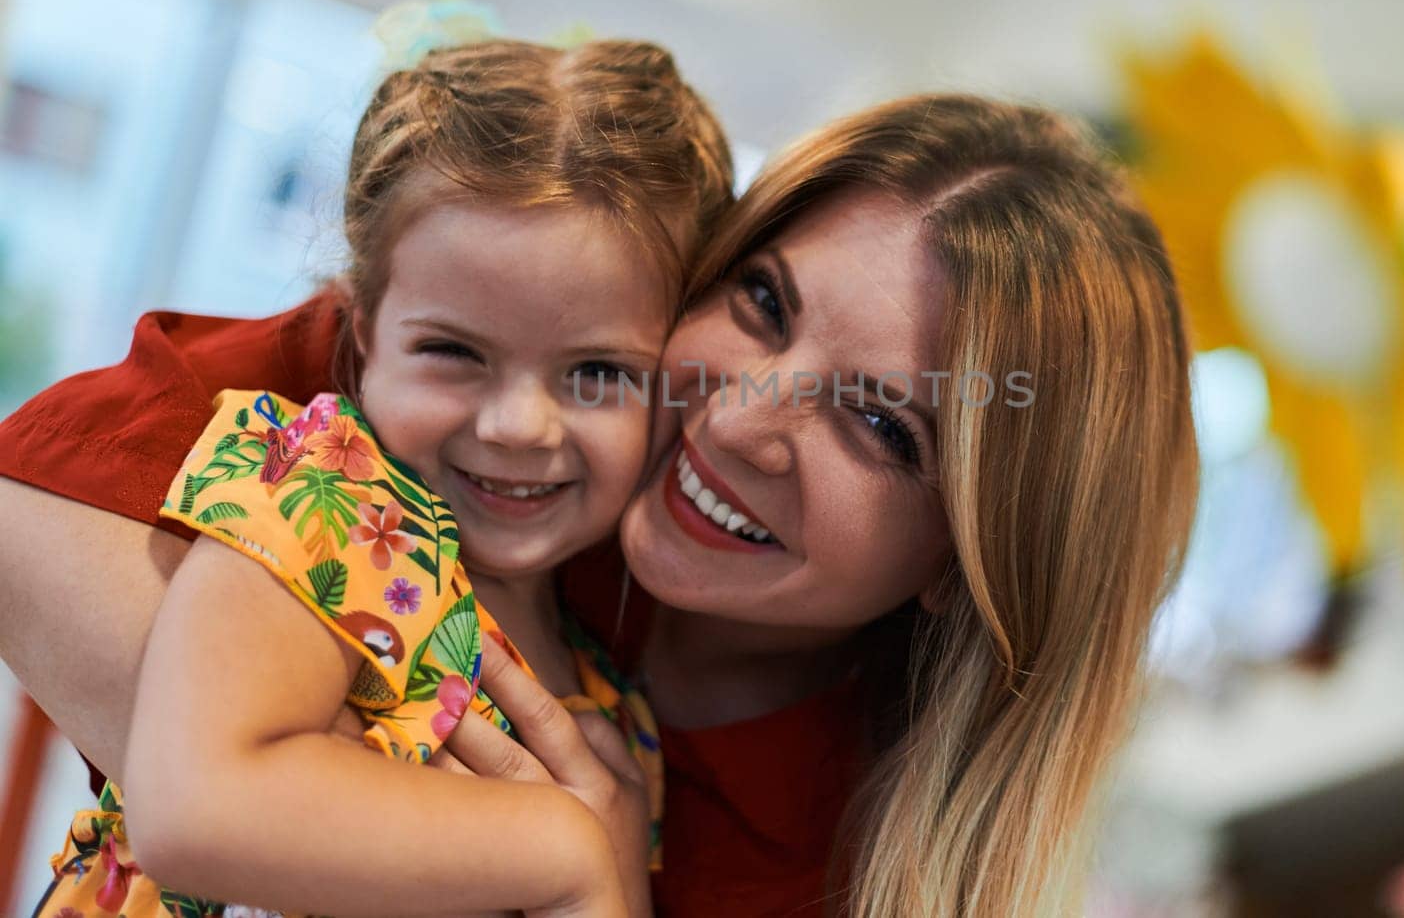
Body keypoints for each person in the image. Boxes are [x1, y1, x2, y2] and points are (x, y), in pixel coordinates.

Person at [0, 93, 1199, 917]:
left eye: (880, 423)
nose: (735, 420)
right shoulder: (497, 399)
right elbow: (27, 498)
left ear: (971, 554)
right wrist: (530, 854)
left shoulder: (842, 855)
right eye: (764, 303)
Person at [24, 30, 734, 918]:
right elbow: (194, 804)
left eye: (597, 372)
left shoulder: (619, 721)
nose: (517, 425)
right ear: (361, 333)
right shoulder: (333, 500)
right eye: (452, 351)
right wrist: (565, 853)